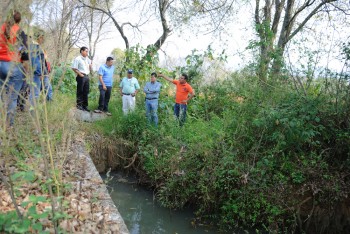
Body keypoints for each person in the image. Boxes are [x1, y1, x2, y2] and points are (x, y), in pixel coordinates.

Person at [0, 11, 28, 126]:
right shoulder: (19, 31)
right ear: (19, 20)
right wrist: (26, 70)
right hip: (13, 66)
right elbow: (25, 53)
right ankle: (8, 126)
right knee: (12, 98)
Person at [29, 30, 52, 105]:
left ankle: (47, 104)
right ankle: (33, 112)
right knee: (37, 93)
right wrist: (40, 73)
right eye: (42, 38)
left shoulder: (38, 47)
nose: (43, 40)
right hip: (39, 74)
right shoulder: (34, 46)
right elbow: (36, 62)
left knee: (45, 89)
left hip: (42, 73)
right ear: (40, 37)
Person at [72, 46, 92, 111]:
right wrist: (80, 74)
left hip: (86, 76)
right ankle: (79, 105)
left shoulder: (87, 59)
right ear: (82, 51)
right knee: (80, 91)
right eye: (86, 51)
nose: (87, 53)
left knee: (86, 92)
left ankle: (85, 106)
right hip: (81, 76)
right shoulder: (78, 59)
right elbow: (74, 68)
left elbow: (89, 67)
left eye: (87, 51)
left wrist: (90, 66)